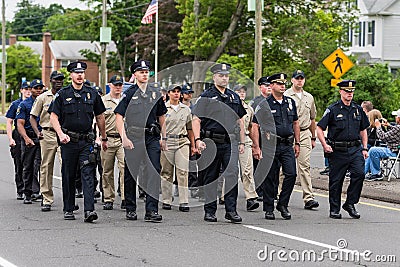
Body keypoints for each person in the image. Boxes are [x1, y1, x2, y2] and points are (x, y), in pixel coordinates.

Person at [49, 61, 107, 222]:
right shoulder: (62, 94)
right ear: (71, 75)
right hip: (68, 141)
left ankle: (89, 210)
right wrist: (60, 134)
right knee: (68, 175)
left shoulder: (92, 93)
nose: (80, 75)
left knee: (88, 173)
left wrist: (103, 137)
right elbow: (53, 117)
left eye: (82, 73)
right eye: (76, 72)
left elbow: (100, 116)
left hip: (86, 141)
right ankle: (69, 208)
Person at [192, 62, 246, 223]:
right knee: (211, 176)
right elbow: (196, 119)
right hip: (211, 141)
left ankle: (231, 210)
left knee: (231, 174)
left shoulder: (233, 97)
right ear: (214, 77)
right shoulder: (206, 97)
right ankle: (210, 210)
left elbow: (240, 120)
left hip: (230, 141)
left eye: (226, 76)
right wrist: (197, 140)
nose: (224, 78)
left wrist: (242, 142)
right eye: (221, 76)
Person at [115, 59, 167, 223]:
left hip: (151, 138)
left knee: (154, 172)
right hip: (134, 137)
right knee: (131, 174)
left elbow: (162, 116)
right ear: (135, 75)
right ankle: (130, 208)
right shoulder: (129, 93)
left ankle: (151, 210)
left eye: (146, 72)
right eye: (141, 72)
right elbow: (119, 117)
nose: (145, 74)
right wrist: (124, 137)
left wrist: (163, 137)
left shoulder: (154, 93)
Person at [317, 80, 369, 219]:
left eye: (351, 92)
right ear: (341, 91)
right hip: (337, 150)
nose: (349, 94)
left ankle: (350, 203)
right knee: (336, 180)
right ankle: (334, 208)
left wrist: (364, 148)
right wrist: (324, 144)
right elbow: (320, 128)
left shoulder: (358, 109)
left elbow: (363, 129)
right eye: (347, 91)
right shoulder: (333, 109)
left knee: (359, 174)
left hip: (355, 149)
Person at [252, 73, 300, 220]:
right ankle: (268, 208)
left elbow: (295, 123)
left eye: (284, 83)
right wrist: (256, 146)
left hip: (287, 144)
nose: (282, 86)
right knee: (270, 177)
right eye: (279, 83)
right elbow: (255, 125)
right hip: (270, 145)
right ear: (271, 86)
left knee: (291, 174)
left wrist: (297, 142)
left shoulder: (290, 102)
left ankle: (283, 204)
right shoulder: (264, 104)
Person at [283, 70, 319, 210]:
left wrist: (313, 136)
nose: (299, 81)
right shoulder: (285, 95)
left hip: (304, 133)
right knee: (284, 168)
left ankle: (308, 197)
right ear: (292, 80)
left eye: (302, 79)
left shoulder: (309, 97)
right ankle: (281, 193)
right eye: (297, 79)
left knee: (304, 165)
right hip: (288, 133)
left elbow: (312, 118)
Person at [30, 71, 64, 212]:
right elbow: (33, 117)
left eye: (61, 79)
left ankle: (69, 199)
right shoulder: (43, 97)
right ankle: (47, 198)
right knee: (46, 166)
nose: (59, 82)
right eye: (56, 79)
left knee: (67, 166)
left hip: (64, 134)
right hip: (48, 134)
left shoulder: (67, 95)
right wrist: (38, 132)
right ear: (51, 81)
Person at [160, 84, 194, 212]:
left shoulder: (186, 109)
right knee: (166, 172)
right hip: (167, 141)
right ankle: (166, 200)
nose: (176, 94)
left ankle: (184, 200)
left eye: (178, 92)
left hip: (182, 141)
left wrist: (193, 145)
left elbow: (190, 128)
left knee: (183, 171)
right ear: (168, 93)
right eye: (173, 91)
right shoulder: (163, 108)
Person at [16, 79, 44, 204]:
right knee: (27, 166)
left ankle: (36, 191)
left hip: (42, 137)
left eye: (40, 88)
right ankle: (27, 192)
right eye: (36, 88)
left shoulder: (46, 102)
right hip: (29, 138)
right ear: (31, 89)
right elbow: (19, 124)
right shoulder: (24, 104)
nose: (38, 90)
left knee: (38, 165)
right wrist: (26, 138)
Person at [101, 75, 125, 210]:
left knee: (125, 169)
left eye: (120, 85)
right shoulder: (103, 101)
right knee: (107, 170)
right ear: (110, 85)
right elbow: (98, 120)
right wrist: (100, 138)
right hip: (108, 138)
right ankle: (108, 197)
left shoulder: (126, 100)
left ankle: (125, 197)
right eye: (115, 85)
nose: (118, 87)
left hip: (123, 139)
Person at [233, 84, 259, 211]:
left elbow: (251, 127)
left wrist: (255, 145)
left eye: (243, 91)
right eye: (239, 91)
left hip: (246, 139)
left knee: (247, 170)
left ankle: (251, 197)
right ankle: (223, 195)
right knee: (230, 170)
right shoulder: (230, 106)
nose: (241, 94)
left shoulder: (249, 109)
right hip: (232, 139)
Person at [6, 81, 32, 200]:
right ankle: (20, 189)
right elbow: (9, 122)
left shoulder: (34, 103)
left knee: (30, 163)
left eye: (29, 89)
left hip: (30, 133)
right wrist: (11, 138)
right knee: (19, 163)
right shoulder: (15, 104)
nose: (28, 91)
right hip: (18, 135)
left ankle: (31, 189)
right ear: (21, 90)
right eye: (25, 89)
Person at [249, 76, 271, 200]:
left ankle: (270, 190)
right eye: (265, 85)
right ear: (260, 87)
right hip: (258, 135)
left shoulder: (274, 100)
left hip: (271, 137)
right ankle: (258, 189)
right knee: (258, 163)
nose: (268, 87)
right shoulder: (255, 102)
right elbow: (251, 122)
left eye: (270, 85)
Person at [365, 116, 399, 181]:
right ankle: (363, 172)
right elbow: (395, 129)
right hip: (393, 150)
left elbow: (382, 137)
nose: (395, 117)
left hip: (394, 152)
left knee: (373, 150)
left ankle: (376, 174)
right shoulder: (397, 128)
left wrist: (378, 127)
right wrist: (388, 125)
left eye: (397, 116)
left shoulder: (398, 128)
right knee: (371, 150)